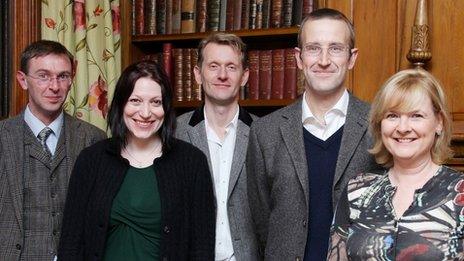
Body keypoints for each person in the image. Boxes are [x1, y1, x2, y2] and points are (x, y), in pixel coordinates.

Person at [246, 8, 380, 260]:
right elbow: (263, 223)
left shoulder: (380, 126)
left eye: (335, 48)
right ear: (299, 58)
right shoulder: (265, 132)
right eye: (314, 48)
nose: (324, 60)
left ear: (352, 58)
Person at [58, 60, 215, 260]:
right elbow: (70, 244)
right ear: (121, 104)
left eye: (155, 102)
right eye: (135, 101)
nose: (146, 113)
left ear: (166, 108)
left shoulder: (192, 162)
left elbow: (202, 248)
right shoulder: (90, 161)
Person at [327, 68, 462, 260]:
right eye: (392, 116)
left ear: (439, 122)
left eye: (416, 115)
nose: (403, 128)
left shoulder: (460, 193)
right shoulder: (356, 191)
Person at [0, 40, 106, 260]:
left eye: (63, 76)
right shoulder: (2, 136)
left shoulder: (94, 138)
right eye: (43, 76)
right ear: (23, 80)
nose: (55, 86)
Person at [176, 33, 259, 260]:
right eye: (213, 66)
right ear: (197, 74)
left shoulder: (264, 134)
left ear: (244, 76)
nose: (222, 75)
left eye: (231, 67)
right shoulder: (174, 133)